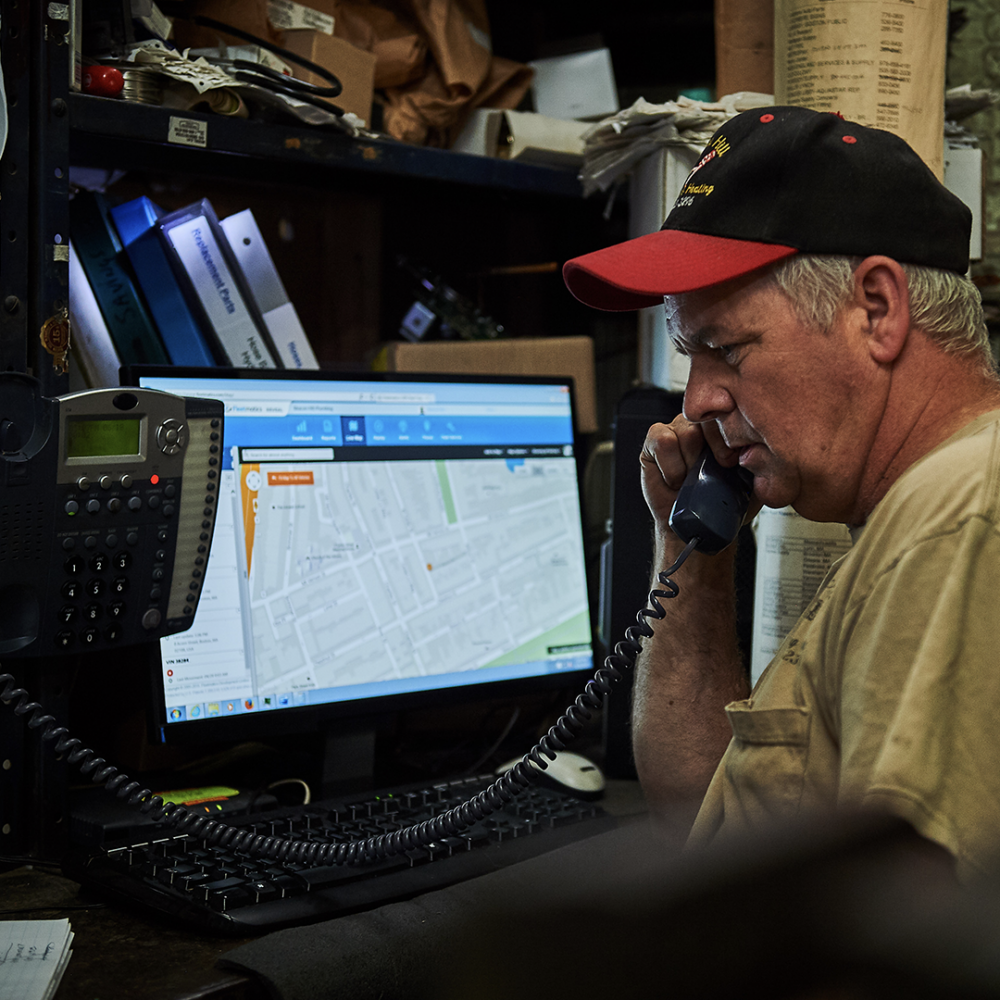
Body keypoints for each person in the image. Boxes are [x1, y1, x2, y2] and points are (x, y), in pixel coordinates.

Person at [563, 105, 1000, 882]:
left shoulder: (958, 516)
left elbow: (904, 925)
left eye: (727, 349)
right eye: (689, 355)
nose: (696, 401)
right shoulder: (916, 511)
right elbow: (706, 828)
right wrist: (692, 552)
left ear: (877, 309)